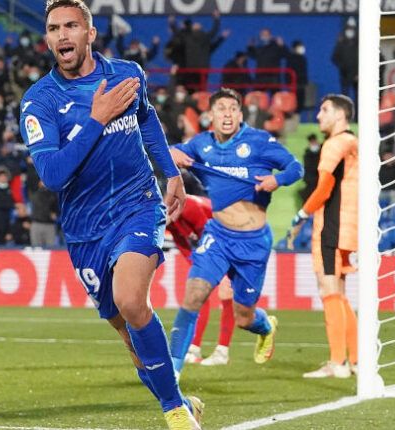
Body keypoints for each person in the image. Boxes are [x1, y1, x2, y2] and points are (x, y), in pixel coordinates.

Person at [20, 1, 202, 428]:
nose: (62, 35)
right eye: (53, 28)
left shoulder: (127, 74)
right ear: (46, 38)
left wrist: (169, 171)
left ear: (89, 32)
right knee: (128, 333)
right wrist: (96, 119)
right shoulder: (39, 102)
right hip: (85, 229)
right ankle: (178, 399)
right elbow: (52, 174)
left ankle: (174, 412)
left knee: (130, 298)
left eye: (70, 26)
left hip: (137, 205)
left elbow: (147, 119)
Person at [168, 88, 303, 377]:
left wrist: (277, 180)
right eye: (221, 109)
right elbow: (171, 152)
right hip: (218, 236)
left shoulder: (259, 142)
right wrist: (172, 153)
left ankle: (266, 326)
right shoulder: (201, 144)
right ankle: (172, 374)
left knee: (244, 318)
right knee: (193, 296)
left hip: (253, 243)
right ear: (211, 116)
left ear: (240, 115)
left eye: (232, 109)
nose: (227, 114)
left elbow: (296, 167)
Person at [289, 94, 358, 378]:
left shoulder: (334, 144)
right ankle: (355, 360)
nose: (318, 115)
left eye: (324, 109)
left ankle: (337, 363)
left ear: (340, 115)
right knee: (339, 293)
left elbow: (324, 188)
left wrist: (300, 216)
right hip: (349, 225)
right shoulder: (354, 142)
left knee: (328, 291)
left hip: (332, 224)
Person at [167, 194, 236, 366]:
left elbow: (210, 234)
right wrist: (198, 268)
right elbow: (184, 245)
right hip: (212, 243)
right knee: (197, 289)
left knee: (227, 292)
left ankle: (222, 352)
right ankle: (193, 348)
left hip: (233, 236)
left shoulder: (188, 206)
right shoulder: (172, 221)